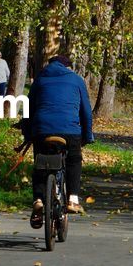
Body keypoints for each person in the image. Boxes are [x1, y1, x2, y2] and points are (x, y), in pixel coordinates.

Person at [21, 54, 93, 224]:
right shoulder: (76, 80)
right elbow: (86, 112)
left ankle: (38, 200)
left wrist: (28, 133)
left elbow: (28, 108)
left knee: (40, 164)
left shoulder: (40, 79)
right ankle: (73, 199)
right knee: (74, 160)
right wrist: (87, 136)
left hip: (42, 129)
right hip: (70, 130)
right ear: (68, 67)